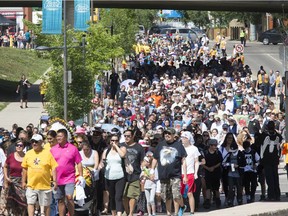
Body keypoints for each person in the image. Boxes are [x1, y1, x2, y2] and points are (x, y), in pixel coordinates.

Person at [151, 127, 187, 216]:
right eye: (165, 133)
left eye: (169, 133)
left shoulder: (178, 145)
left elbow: (183, 160)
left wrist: (185, 175)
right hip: (163, 175)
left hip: (175, 175)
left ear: (174, 136)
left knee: (176, 195)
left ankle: (182, 206)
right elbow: (155, 159)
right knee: (166, 196)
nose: (167, 135)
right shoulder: (160, 145)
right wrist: (152, 171)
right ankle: (168, 213)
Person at [21, 134, 58, 216]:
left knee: (46, 206)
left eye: (36, 142)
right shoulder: (28, 153)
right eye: (32, 142)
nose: (34, 143)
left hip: (45, 185)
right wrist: (23, 181)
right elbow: (24, 168)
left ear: (41, 142)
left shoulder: (48, 153)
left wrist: (55, 181)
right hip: (31, 185)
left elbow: (54, 167)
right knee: (30, 203)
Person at [50, 129, 84, 216]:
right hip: (57, 178)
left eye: (60, 136)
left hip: (69, 177)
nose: (58, 138)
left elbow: (79, 162)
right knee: (60, 200)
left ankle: (72, 214)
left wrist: (81, 176)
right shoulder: (53, 149)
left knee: (69, 197)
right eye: (57, 136)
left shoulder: (73, 148)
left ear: (65, 137)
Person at [99, 134, 126, 216]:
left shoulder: (122, 148)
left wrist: (116, 147)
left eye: (116, 141)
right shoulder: (106, 151)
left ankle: (119, 214)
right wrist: (101, 165)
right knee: (112, 197)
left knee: (118, 196)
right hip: (109, 176)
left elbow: (123, 155)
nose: (114, 142)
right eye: (112, 140)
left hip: (120, 176)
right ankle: (113, 213)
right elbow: (102, 162)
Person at [123, 129, 145, 216]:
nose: (126, 138)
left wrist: (143, 172)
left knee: (133, 195)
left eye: (128, 136)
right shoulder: (121, 146)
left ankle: (131, 213)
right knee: (124, 195)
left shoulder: (139, 147)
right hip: (123, 175)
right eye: (125, 136)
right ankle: (127, 211)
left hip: (135, 174)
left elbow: (142, 161)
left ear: (132, 136)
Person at [260, 121, 282, 201]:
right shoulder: (278, 136)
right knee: (275, 177)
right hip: (273, 160)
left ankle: (272, 195)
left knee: (270, 178)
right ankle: (276, 195)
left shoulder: (264, 136)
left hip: (268, 160)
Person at [3, 139, 26, 216]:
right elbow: (5, 166)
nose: (19, 147)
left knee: (22, 202)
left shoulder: (26, 157)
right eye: (17, 145)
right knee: (11, 202)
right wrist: (6, 177)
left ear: (23, 147)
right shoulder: (11, 156)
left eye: (21, 145)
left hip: (21, 182)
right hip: (11, 181)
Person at [180, 131, 200, 216]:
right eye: (182, 137)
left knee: (189, 193)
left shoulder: (194, 148)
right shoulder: (180, 147)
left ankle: (192, 211)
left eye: (185, 138)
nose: (183, 139)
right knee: (179, 193)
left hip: (190, 173)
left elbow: (196, 161)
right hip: (180, 173)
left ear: (188, 139)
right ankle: (181, 208)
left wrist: (196, 173)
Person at [222, 141, 246, 207]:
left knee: (239, 188)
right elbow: (223, 162)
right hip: (230, 174)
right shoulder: (229, 154)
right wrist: (229, 164)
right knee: (231, 188)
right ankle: (230, 200)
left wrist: (238, 166)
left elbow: (244, 164)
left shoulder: (241, 154)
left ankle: (239, 199)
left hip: (238, 174)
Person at [202, 139, 222, 209]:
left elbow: (220, 162)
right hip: (208, 172)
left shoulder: (218, 153)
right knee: (208, 187)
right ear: (210, 146)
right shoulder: (205, 153)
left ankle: (217, 200)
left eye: (216, 145)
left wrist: (213, 167)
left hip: (216, 172)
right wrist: (208, 168)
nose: (215, 147)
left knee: (216, 188)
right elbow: (202, 163)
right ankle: (208, 200)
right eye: (214, 145)